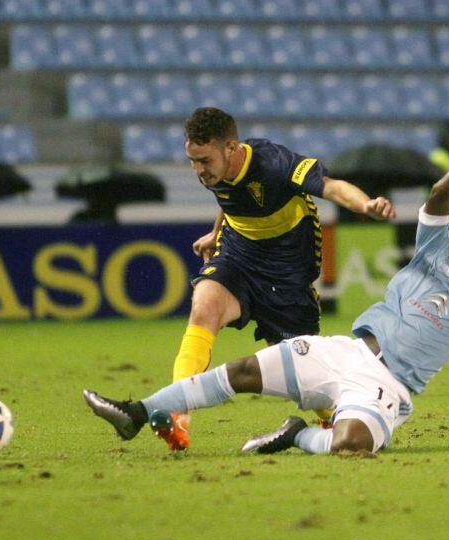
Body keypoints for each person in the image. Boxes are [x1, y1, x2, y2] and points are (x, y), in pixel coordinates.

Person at [84, 120, 449, 456]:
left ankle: (298, 436)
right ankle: (138, 412)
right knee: (241, 371)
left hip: (387, 389)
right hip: (343, 351)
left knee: (349, 446)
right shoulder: (433, 251)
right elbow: (440, 193)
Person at [160, 107, 396, 450]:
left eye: (204, 160)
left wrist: (365, 205)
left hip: (286, 268)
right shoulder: (216, 170)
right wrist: (215, 234)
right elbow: (230, 198)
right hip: (239, 254)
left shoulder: (274, 163)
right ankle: (176, 413)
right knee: (204, 308)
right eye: (192, 160)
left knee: (303, 367)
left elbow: (331, 187)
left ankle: (340, 419)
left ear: (231, 147)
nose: (198, 170)